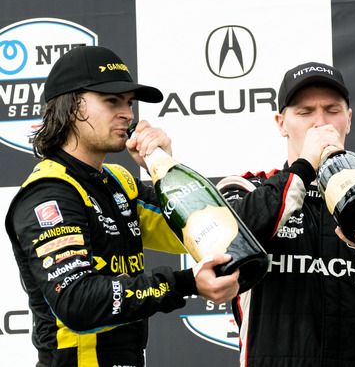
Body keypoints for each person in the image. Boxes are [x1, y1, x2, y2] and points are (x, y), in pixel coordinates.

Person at [4, 45, 240, 367]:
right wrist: (185, 283)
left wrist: (163, 168)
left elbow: (196, 232)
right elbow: (77, 301)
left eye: (129, 103)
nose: (129, 114)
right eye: (112, 101)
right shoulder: (49, 193)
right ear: (72, 107)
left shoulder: (118, 181)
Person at [216, 62, 355, 367]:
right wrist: (304, 169)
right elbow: (222, 250)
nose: (320, 124)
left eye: (332, 110)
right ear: (281, 123)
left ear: (348, 120)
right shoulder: (244, 188)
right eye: (305, 112)